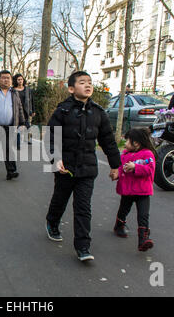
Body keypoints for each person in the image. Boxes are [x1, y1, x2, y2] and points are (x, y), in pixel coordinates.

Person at [46, 71, 121, 262]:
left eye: (89, 82)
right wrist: (56, 158)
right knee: (60, 199)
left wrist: (115, 165)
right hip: (65, 167)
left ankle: (83, 246)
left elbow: (108, 141)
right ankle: (52, 222)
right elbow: (51, 137)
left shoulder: (98, 112)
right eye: (82, 82)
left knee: (83, 207)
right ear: (71, 89)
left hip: (88, 169)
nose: (87, 85)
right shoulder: (62, 111)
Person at [113, 128, 156, 252]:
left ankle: (143, 239)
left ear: (136, 143)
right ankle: (119, 225)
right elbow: (120, 168)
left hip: (143, 191)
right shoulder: (125, 155)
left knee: (143, 215)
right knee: (123, 209)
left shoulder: (147, 154)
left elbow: (150, 169)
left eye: (127, 140)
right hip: (127, 191)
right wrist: (116, 174)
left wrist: (136, 167)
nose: (125, 143)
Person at [13, 73, 35, 148]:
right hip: (16, 111)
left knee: (28, 127)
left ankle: (29, 140)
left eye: (21, 79)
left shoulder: (27, 89)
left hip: (26, 111)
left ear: (23, 80)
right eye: (18, 79)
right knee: (18, 127)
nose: (20, 81)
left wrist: (33, 110)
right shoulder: (13, 90)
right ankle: (18, 144)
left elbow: (32, 100)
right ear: (16, 81)